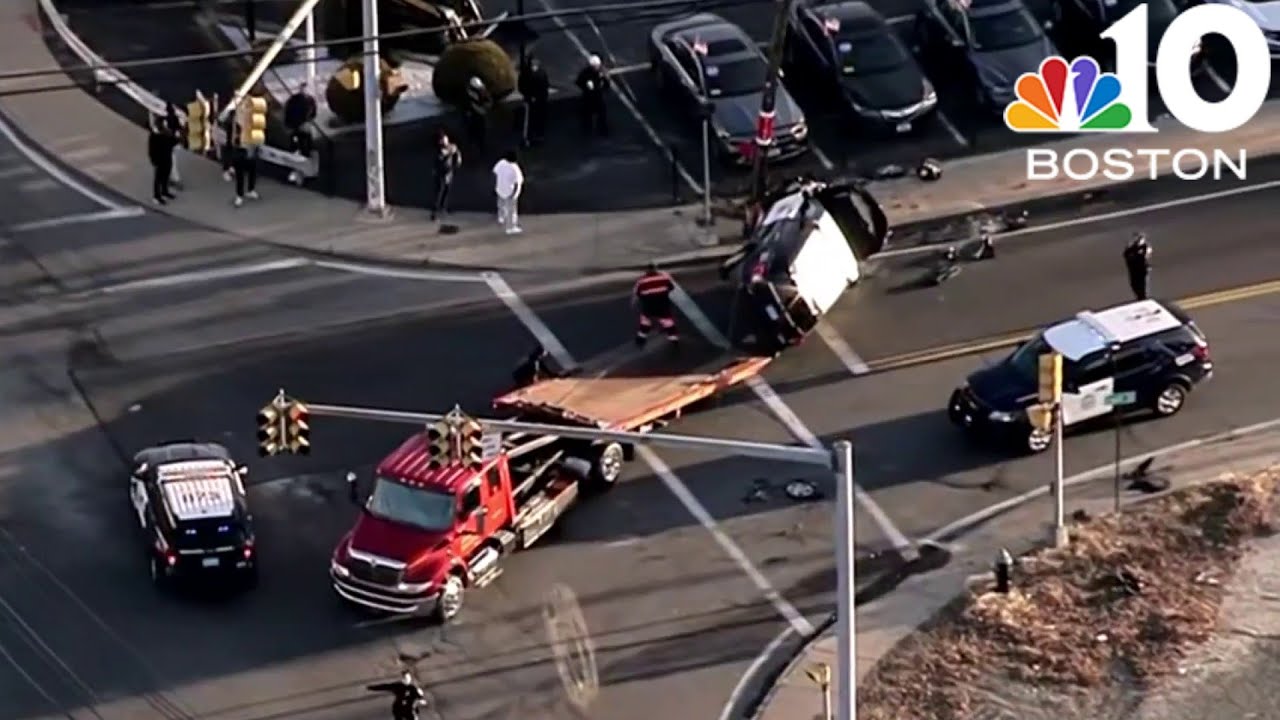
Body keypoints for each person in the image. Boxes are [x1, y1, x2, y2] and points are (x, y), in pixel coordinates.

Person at [633, 262, 678, 347]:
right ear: (655, 269)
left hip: (649, 306)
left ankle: (641, 339)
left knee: (645, 322)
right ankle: (673, 339)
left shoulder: (642, 280)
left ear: (646, 270)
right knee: (668, 322)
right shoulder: (663, 277)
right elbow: (671, 287)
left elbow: (638, 293)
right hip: (663, 304)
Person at [283, 87, 318, 185]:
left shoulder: (306, 101)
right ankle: (300, 173)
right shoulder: (298, 101)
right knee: (299, 150)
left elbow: (312, 113)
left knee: (303, 149)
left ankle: (304, 173)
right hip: (298, 128)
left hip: (299, 128)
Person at [518, 55, 550, 145]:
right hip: (530, 100)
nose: (534, 66)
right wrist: (529, 96)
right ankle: (528, 137)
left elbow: (545, 86)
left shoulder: (541, 73)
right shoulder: (526, 74)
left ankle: (539, 135)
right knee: (529, 119)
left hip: (540, 99)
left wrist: (542, 97)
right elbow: (522, 86)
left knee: (540, 118)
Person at [147, 113, 178, 205]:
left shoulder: (166, 132)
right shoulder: (155, 135)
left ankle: (165, 192)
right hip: (159, 159)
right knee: (158, 178)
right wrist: (153, 159)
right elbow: (151, 149)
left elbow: (173, 142)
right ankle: (157, 196)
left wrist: (175, 138)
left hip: (167, 156)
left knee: (166, 175)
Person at [576, 55, 610, 136]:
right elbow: (578, 82)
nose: (597, 67)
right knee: (587, 113)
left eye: (597, 66)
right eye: (595, 66)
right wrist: (585, 86)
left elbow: (607, 83)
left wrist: (603, 86)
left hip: (598, 96)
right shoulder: (585, 73)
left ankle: (602, 129)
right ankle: (587, 129)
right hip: (588, 97)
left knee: (602, 113)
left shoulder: (602, 72)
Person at [432, 131, 462, 221]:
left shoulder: (452, 146)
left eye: (445, 139)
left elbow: (457, 152)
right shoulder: (439, 150)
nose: (444, 141)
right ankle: (434, 212)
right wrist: (450, 153)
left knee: (447, 191)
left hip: (449, 172)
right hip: (440, 173)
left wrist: (458, 158)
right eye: (442, 140)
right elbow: (441, 158)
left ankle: (444, 208)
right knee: (439, 193)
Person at [492, 150, 524, 234]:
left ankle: (501, 217)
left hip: (500, 188)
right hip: (510, 191)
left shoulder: (501, 163)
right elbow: (518, 182)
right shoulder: (515, 168)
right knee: (512, 210)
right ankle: (511, 227)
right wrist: (515, 194)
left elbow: (495, 172)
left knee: (501, 204)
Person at [465, 76, 492, 150]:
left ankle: (479, 145)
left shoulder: (481, 91)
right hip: (476, 112)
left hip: (478, 112)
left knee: (478, 129)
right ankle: (476, 144)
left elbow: (488, 102)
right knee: (475, 129)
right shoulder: (473, 91)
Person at [1123, 232, 1152, 300]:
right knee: (1134, 285)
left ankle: (1143, 299)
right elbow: (1126, 255)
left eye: (1140, 239)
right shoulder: (1131, 248)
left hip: (1141, 270)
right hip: (1133, 270)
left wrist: (1135, 251)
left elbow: (1145, 255)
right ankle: (1140, 297)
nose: (1137, 240)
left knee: (1142, 287)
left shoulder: (1145, 247)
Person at [232, 141, 260, 207]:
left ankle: (250, 190)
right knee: (240, 175)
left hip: (252, 150)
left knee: (253, 171)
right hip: (241, 151)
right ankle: (239, 195)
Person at [164, 100, 184, 189]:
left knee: (170, 162)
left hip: (169, 144)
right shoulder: (175, 118)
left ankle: (175, 180)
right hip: (174, 143)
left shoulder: (166, 120)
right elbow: (179, 129)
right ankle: (171, 179)